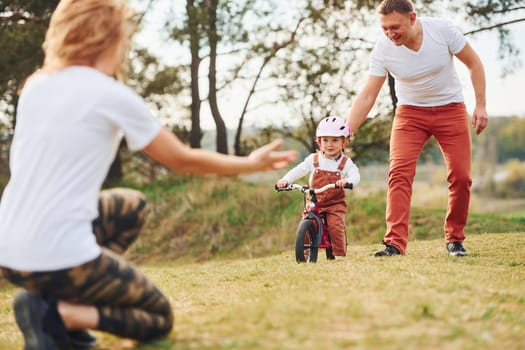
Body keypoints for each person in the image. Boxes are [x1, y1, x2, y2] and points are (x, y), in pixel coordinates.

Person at [0, 0, 297, 349]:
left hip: (8, 251)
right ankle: (61, 316)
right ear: (109, 38)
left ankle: (49, 307)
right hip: (57, 257)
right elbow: (182, 159)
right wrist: (251, 163)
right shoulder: (109, 94)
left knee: (131, 206)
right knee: (158, 318)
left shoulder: (36, 85)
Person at [346, 0, 488, 257]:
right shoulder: (383, 49)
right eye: (385, 29)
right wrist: (348, 130)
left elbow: (474, 64)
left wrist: (480, 105)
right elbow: (368, 95)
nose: (390, 34)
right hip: (410, 114)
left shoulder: (442, 31)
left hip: (450, 109)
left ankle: (455, 239)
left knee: (461, 176)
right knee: (399, 174)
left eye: (395, 27)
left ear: (412, 18)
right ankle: (394, 244)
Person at [276, 116, 360, 259]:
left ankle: (339, 254)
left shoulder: (345, 162)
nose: (329, 144)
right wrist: (285, 179)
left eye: (335, 140)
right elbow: (299, 169)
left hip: (335, 204)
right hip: (314, 200)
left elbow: (355, 175)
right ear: (319, 142)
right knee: (307, 223)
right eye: (325, 140)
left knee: (335, 226)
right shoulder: (313, 159)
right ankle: (305, 252)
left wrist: (347, 181)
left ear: (344, 142)